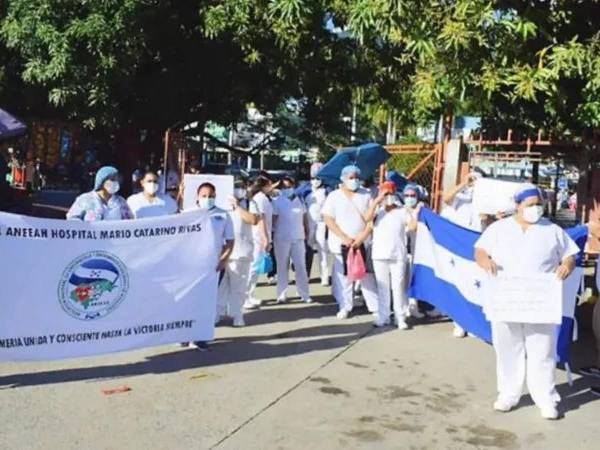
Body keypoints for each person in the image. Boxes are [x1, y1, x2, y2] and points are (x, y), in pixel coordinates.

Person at [474, 183, 579, 419]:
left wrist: (566, 265)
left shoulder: (552, 229)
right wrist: (485, 262)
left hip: (539, 300)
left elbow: (570, 255)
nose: (536, 208)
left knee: (542, 349)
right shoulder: (499, 228)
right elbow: (480, 250)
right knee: (507, 347)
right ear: (518, 206)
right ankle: (508, 394)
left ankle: (545, 398)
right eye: (531, 204)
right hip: (506, 297)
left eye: (539, 204)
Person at [322, 165, 378, 319]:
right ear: (343, 178)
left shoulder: (366, 195)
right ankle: (345, 305)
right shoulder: (334, 196)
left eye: (356, 178)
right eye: (351, 178)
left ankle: (375, 306)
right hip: (342, 243)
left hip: (362, 241)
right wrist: (344, 237)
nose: (354, 181)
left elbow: (371, 219)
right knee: (344, 277)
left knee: (365, 275)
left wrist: (362, 237)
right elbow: (328, 219)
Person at [183, 182, 234, 351]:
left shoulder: (223, 214)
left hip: (213, 266)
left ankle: (200, 336)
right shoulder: (188, 214)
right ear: (197, 196)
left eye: (211, 196)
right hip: (191, 266)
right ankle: (184, 334)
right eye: (204, 196)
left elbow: (230, 241)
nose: (208, 199)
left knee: (207, 302)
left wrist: (223, 259)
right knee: (188, 300)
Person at [365, 181, 418, 329]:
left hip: (398, 255)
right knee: (382, 286)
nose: (388, 197)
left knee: (398, 286)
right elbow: (366, 218)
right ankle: (383, 316)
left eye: (390, 193)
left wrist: (413, 212)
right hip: (379, 254)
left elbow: (413, 227)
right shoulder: (377, 211)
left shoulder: (402, 211)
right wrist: (377, 200)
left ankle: (400, 317)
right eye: (385, 194)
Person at [217, 181, 259, 327]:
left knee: (238, 286)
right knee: (221, 286)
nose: (238, 190)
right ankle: (218, 313)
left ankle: (237, 315)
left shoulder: (250, 203)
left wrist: (237, 206)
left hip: (241, 252)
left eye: (241, 187)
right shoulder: (220, 203)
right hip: (221, 252)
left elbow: (253, 220)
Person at [272, 176, 313, 304]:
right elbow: (273, 220)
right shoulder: (277, 201)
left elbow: (305, 219)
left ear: (293, 187)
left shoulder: (300, 201)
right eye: (283, 187)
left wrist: (307, 232)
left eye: (288, 187)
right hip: (281, 238)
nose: (286, 189)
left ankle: (304, 293)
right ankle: (282, 294)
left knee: (301, 266)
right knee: (282, 267)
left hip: (298, 237)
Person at [244, 175, 273, 309]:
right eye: (269, 183)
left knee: (256, 267)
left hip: (262, 235)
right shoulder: (260, 199)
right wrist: (265, 238)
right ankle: (245, 296)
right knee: (254, 267)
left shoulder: (263, 198)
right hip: (259, 236)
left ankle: (250, 294)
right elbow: (261, 219)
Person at [67, 166, 133, 221]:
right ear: (102, 181)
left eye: (117, 180)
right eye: (112, 179)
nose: (116, 182)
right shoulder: (84, 199)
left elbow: (129, 223)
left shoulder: (121, 201)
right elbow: (72, 219)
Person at [305, 162, 330, 286]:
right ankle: (306, 274)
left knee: (323, 250)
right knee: (307, 250)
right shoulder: (306, 190)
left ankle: (324, 276)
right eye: (313, 178)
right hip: (308, 222)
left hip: (322, 223)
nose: (315, 181)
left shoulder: (326, 191)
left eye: (318, 178)